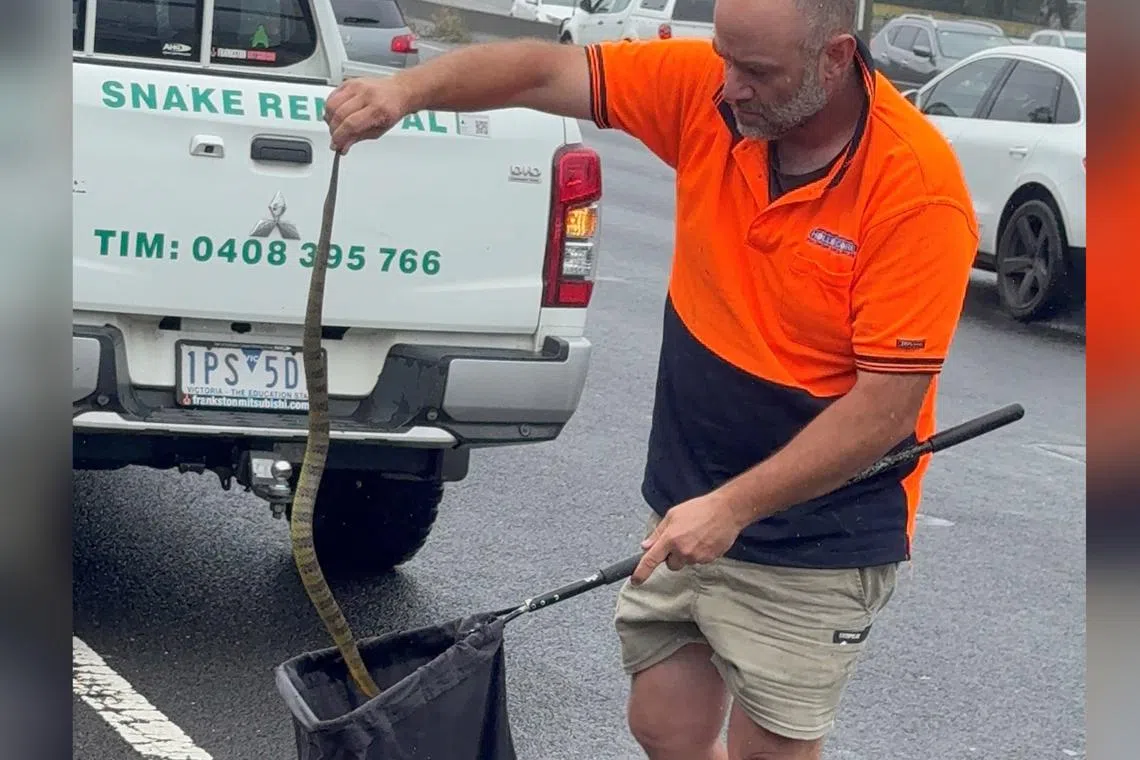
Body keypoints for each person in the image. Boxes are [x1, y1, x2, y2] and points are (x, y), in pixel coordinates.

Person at [324, 0, 978, 757]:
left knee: (770, 749)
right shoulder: (711, 90)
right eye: (724, 57)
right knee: (664, 724)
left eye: (756, 71)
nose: (728, 86)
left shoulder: (914, 189)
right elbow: (542, 68)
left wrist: (734, 506)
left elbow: (885, 410)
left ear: (836, 58)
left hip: (816, 532)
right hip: (691, 497)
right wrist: (406, 92)